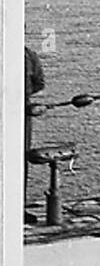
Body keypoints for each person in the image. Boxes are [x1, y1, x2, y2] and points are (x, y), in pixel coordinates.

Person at [24, 45, 45, 221]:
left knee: (20, 160)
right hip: (22, 109)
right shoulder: (29, 55)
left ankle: (17, 206)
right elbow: (39, 83)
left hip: (22, 111)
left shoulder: (30, 56)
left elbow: (39, 83)